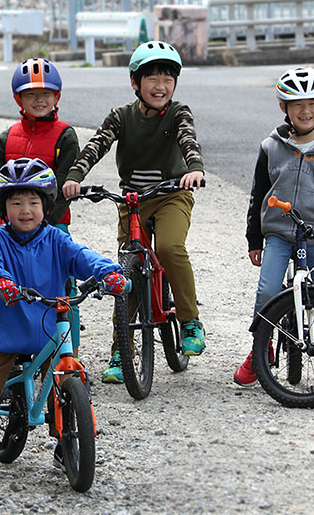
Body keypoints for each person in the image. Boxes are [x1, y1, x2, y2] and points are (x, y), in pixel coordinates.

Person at [0, 157, 126, 477]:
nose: (25, 210)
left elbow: (82, 257)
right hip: (10, 327)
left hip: (49, 327)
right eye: (16, 202)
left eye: (33, 201)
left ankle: (65, 438)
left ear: (46, 206)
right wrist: (0, 282)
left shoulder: (56, 239)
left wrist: (108, 272)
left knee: (65, 377)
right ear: (4, 209)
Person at [62, 40, 206, 383]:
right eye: (152, 78)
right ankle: (120, 350)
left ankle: (189, 321)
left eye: (168, 79)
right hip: (132, 202)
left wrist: (195, 167)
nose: (161, 86)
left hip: (173, 194)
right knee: (124, 274)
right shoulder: (121, 116)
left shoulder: (178, 112)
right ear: (135, 83)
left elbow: (188, 139)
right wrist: (74, 178)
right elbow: (97, 144)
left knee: (169, 247)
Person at [233, 66, 314, 389]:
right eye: (297, 104)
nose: (305, 110)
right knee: (268, 291)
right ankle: (262, 349)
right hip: (279, 234)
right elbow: (258, 193)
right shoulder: (270, 146)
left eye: (313, 103)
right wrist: (253, 239)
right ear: (284, 108)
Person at [0, 57, 82, 350]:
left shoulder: (65, 135)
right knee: (1, 282)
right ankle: (2, 346)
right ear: (19, 99)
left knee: (64, 289)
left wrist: (43, 224)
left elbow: (62, 187)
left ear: (56, 98)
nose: (39, 100)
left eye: (46, 94)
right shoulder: (6, 137)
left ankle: (68, 353)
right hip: (11, 225)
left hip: (53, 223)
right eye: (31, 95)